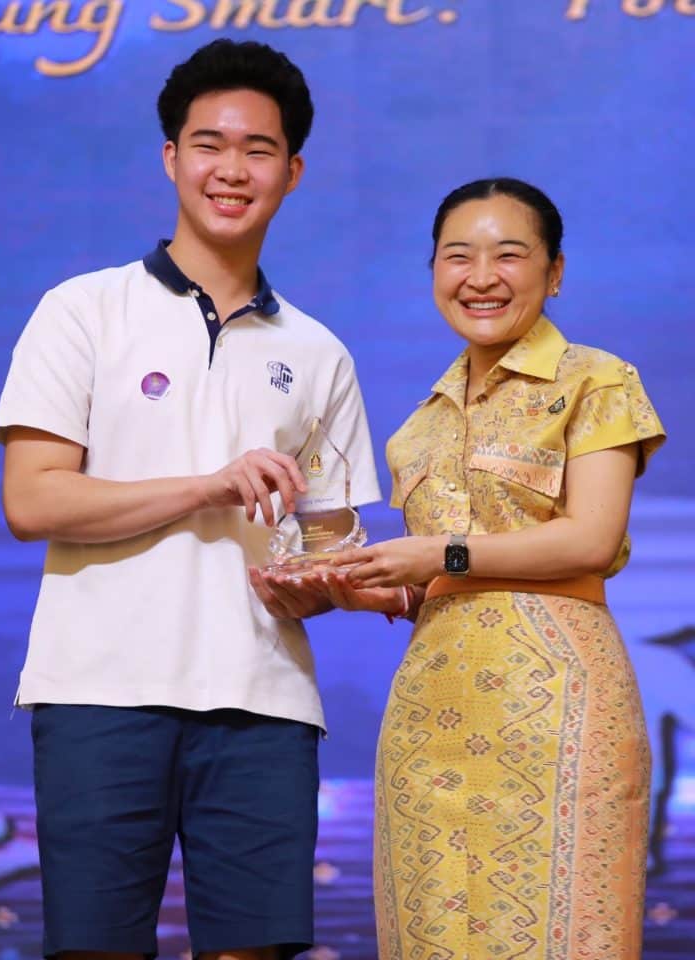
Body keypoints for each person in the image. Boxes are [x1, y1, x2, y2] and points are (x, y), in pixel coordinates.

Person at [0, 39, 380, 960]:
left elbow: (328, 544)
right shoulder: (83, 311)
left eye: (258, 150)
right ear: (172, 157)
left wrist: (347, 583)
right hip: (98, 691)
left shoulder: (319, 352)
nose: (231, 170)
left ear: (292, 171)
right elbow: (33, 501)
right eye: (210, 144)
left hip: (264, 702)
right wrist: (208, 486)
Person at [264, 178, 666, 959]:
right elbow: (437, 583)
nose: (481, 277)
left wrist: (438, 554)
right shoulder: (418, 426)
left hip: (557, 709)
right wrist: (361, 587)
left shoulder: (596, 380)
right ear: (433, 273)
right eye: (458, 257)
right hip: (430, 716)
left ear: (554, 272)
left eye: (508, 255)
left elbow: (590, 541)